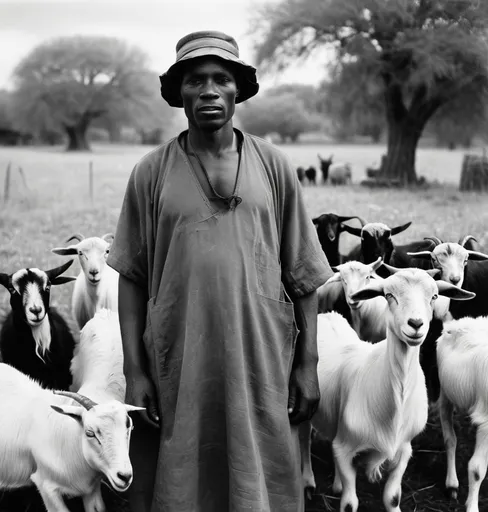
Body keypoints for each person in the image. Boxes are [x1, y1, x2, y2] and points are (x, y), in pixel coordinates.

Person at [107, 30, 333, 512]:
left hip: (260, 350)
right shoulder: (151, 172)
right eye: (195, 81)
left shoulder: (273, 165)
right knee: (184, 456)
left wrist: (308, 363)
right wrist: (133, 370)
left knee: (262, 456)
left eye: (221, 79)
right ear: (179, 94)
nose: (208, 90)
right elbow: (131, 275)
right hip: (180, 349)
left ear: (238, 90)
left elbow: (304, 274)